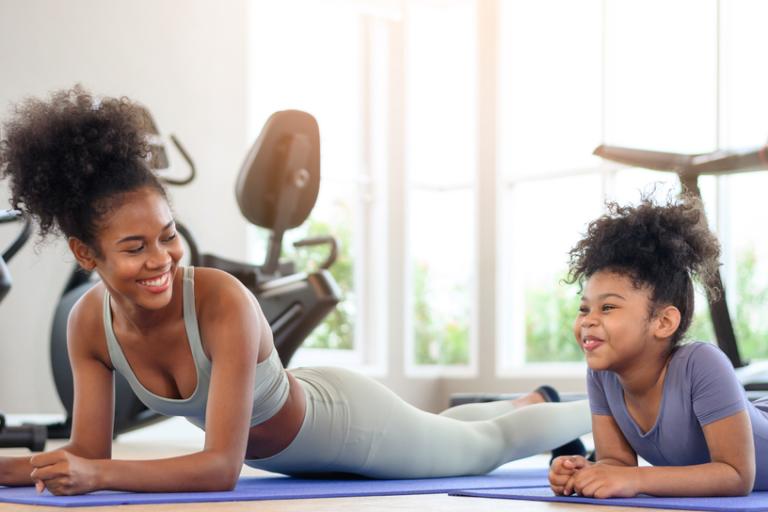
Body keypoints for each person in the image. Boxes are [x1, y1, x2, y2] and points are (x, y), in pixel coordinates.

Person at [0, 87, 590, 495]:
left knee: (485, 448)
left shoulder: (220, 299)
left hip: (348, 427)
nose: (161, 259)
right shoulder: (88, 324)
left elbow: (219, 468)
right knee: (454, 430)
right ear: (86, 253)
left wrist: (99, 477)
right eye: (134, 248)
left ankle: (611, 407)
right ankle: (532, 401)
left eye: (168, 235)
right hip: (302, 448)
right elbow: (87, 452)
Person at [548, 197, 768, 498]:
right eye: (584, 309)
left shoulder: (701, 363)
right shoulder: (602, 375)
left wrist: (636, 479)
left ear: (663, 322)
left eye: (608, 307)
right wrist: (587, 472)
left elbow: (736, 475)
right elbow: (617, 463)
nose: (588, 321)